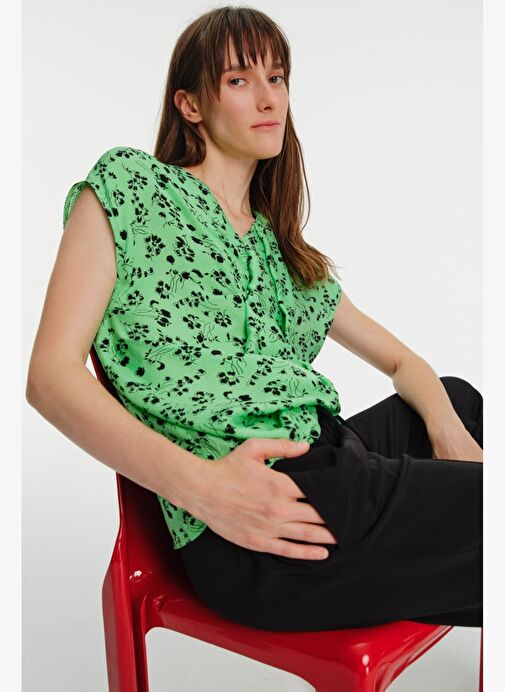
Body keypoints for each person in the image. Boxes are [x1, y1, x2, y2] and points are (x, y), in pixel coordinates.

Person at [26, 6, 482, 632]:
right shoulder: (132, 188)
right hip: (255, 517)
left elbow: (404, 363)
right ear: (190, 105)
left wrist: (449, 434)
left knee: (458, 403)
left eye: (277, 77)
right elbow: (50, 376)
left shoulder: (282, 253)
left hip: (325, 463)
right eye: (239, 80)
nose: (269, 99)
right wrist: (205, 490)